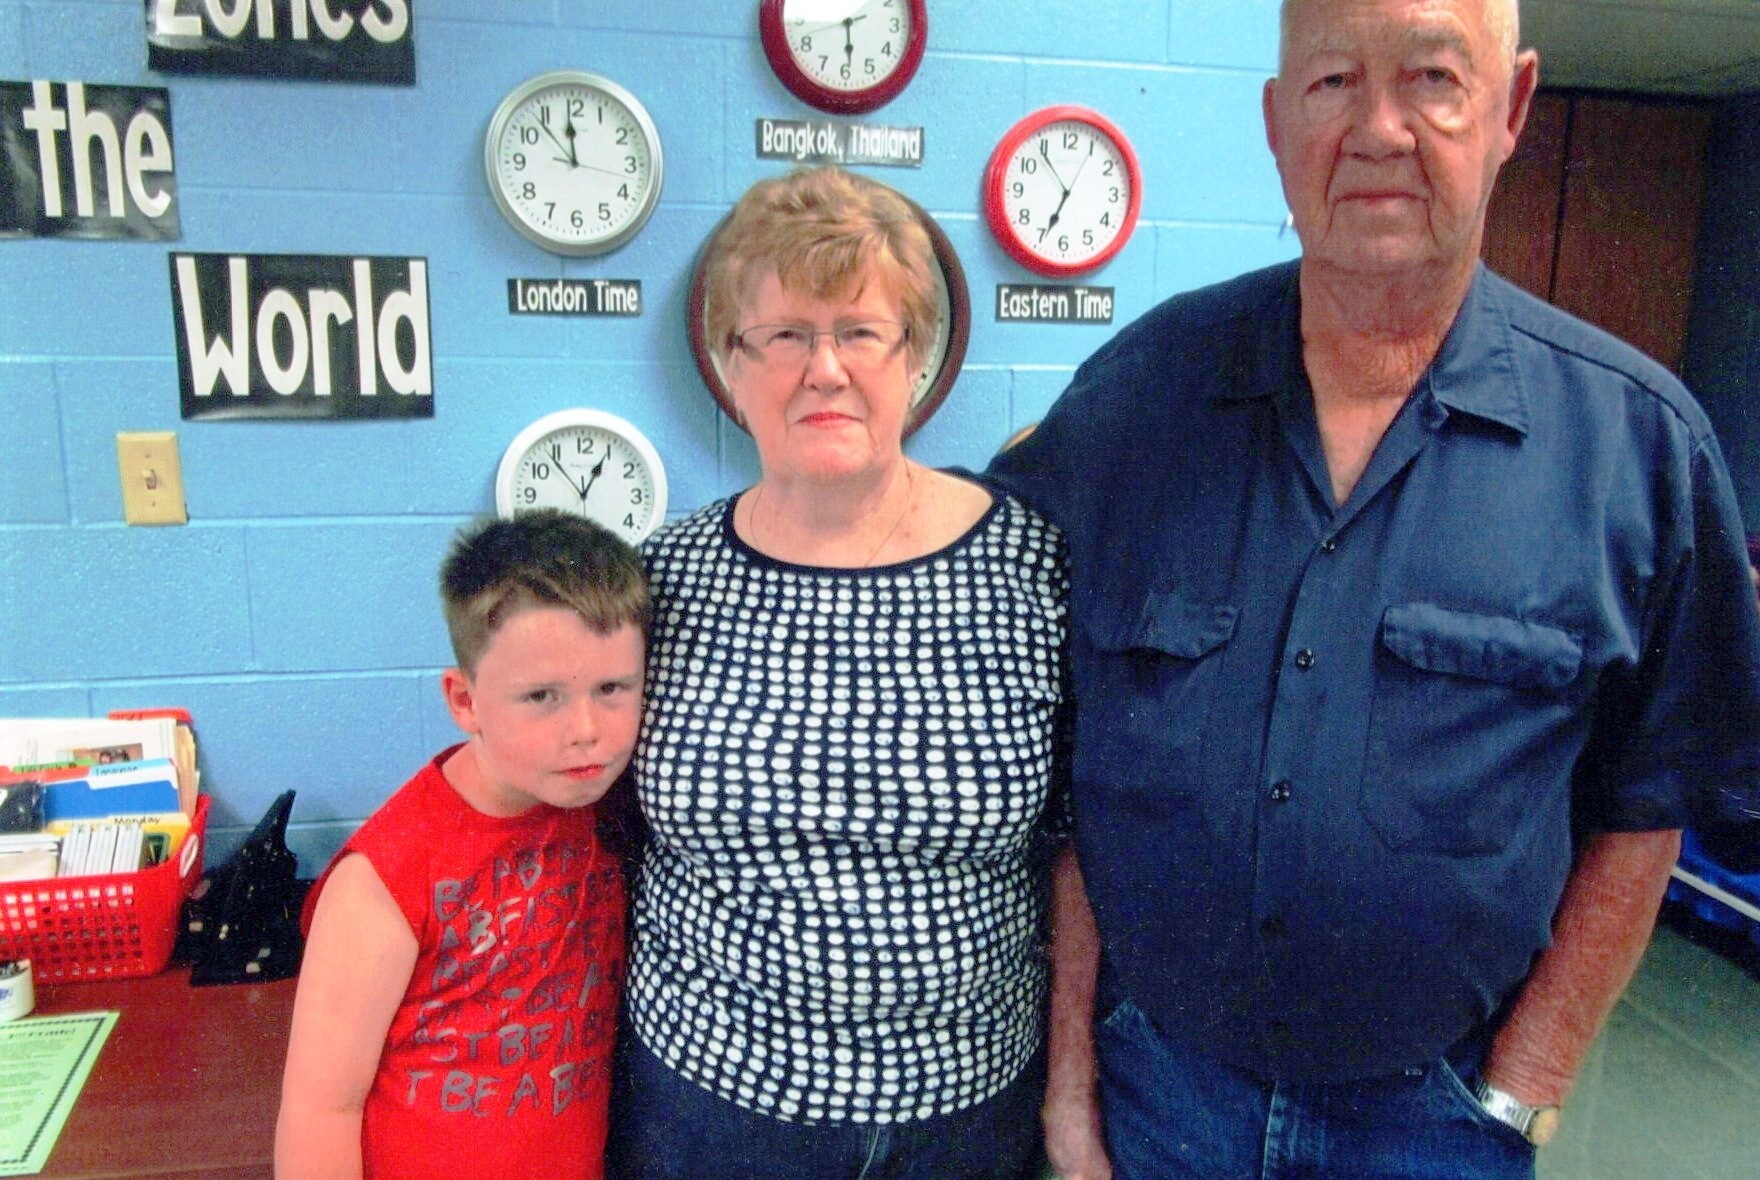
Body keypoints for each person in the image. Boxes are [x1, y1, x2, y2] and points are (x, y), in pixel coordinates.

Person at [988, 1, 1760, 1177]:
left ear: (1510, 106)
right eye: (1332, 81)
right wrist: (1068, 1079)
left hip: (1433, 1122)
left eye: (1432, 79)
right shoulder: (1131, 403)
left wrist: (1523, 1084)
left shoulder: (1638, 450)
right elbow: (1061, 750)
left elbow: (1647, 800)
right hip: (1154, 1098)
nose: (1376, 129)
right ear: (1274, 119)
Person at [608, 166, 1070, 1179]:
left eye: (860, 331)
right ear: (730, 365)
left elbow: (1081, 849)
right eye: (783, 335)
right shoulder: (663, 577)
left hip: (963, 1117)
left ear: (913, 356)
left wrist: (1072, 1092)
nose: (823, 370)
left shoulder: (1029, 565)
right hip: (710, 1109)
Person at [276, 510, 648, 1179]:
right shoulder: (382, 879)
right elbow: (320, 1111)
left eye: (612, 689)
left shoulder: (611, 809)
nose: (586, 729)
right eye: (542, 696)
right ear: (464, 700)